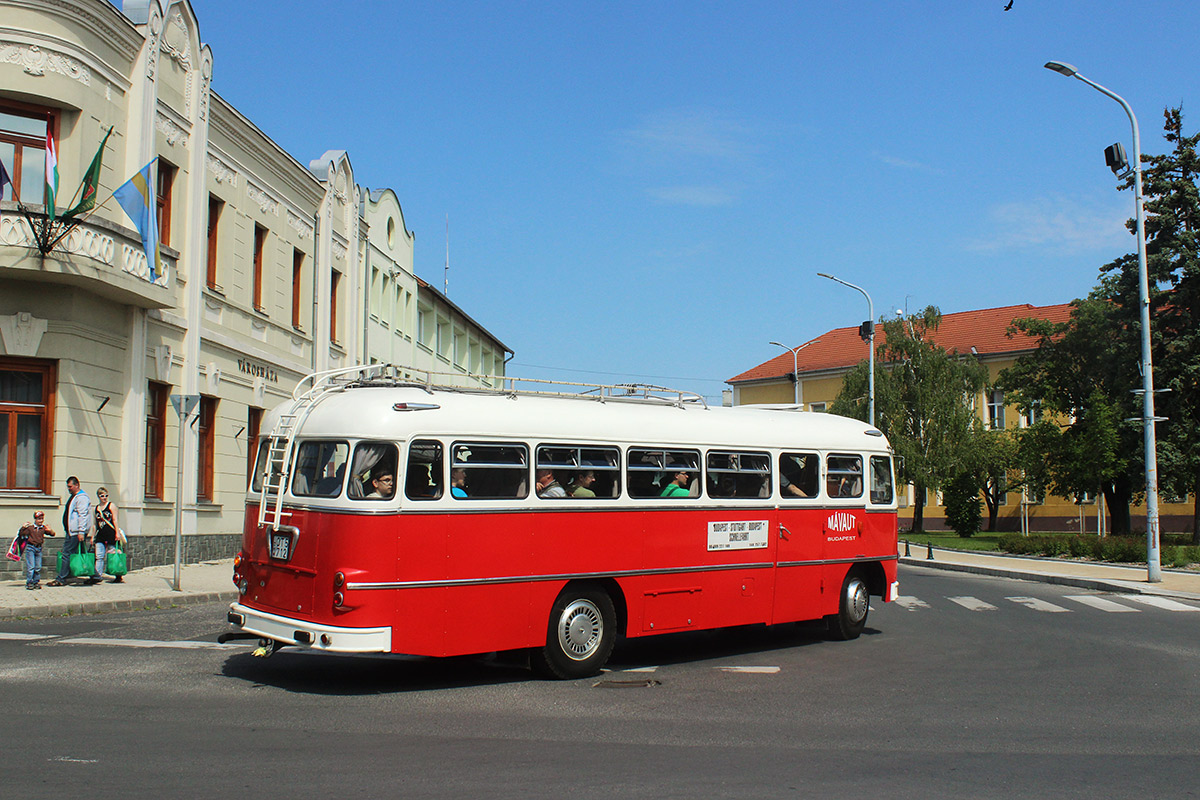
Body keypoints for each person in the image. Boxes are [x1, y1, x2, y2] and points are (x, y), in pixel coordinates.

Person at [49, 476, 90, 587]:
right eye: (68, 486)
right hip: (72, 531)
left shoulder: (81, 498)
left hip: (76, 532)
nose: (69, 488)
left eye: (70, 486)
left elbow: (83, 515)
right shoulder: (74, 496)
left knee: (67, 554)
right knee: (74, 553)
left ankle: (61, 578)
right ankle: (95, 576)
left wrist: (81, 531)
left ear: (77, 485)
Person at [90, 487, 122, 584]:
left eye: (106, 495)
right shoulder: (96, 508)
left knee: (113, 554)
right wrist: (92, 536)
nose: (104, 498)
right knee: (99, 556)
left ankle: (118, 574)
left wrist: (117, 533)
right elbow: (95, 524)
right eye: (102, 496)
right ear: (98, 497)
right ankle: (98, 575)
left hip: (111, 533)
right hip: (100, 535)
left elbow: (115, 520)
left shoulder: (111, 506)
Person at [18, 511, 56, 590]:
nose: (41, 521)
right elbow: (21, 534)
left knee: (38, 567)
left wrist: (50, 530)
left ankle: (35, 582)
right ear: (35, 519)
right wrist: (23, 527)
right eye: (39, 519)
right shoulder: (31, 528)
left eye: (42, 519)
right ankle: (29, 582)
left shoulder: (43, 528)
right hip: (31, 548)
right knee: (31, 567)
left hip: (39, 548)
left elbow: (52, 534)